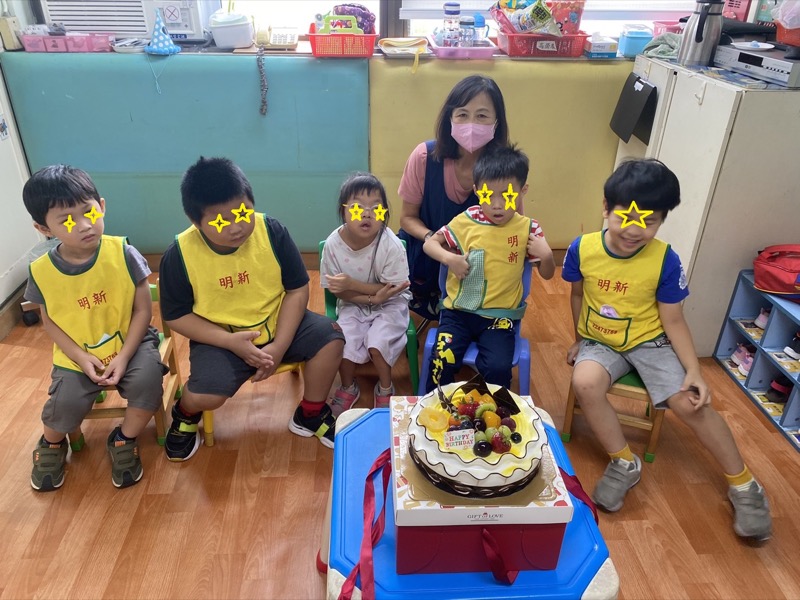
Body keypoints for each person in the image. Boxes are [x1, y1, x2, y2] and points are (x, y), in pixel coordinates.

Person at [562, 159, 772, 541]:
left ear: (662, 220)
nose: (634, 229)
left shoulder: (665, 260)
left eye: (649, 221)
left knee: (691, 403)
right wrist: (578, 337)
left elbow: (673, 319)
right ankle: (624, 462)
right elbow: (577, 294)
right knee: (585, 382)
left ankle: (744, 484)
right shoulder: (582, 248)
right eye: (625, 216)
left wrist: (694, 370)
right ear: (606, 207)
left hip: (651, 341)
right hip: (601, 339)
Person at [158, 157, 345, 460]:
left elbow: (297, 289)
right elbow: (176, 315)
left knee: (331, 337)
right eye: (220, 222)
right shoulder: (179, 254)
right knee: (207, 394)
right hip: (221, 339)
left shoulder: (272, 231)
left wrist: (280, 345)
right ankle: (185, 413)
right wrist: (229, 341)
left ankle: (310, 413)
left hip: (279, 323)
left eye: (243, 213)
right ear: (195, 221)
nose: (236, 227)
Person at [22, 165, 167, 491]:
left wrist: (124, 356)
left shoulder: (123, 253)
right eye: (67, 220)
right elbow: (50, 322)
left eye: (89, 212)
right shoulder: (42, 271)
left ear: (101, 205)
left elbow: (143, 311)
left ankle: (124, 437)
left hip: (132, 342)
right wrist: (80, 357)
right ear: (43, 228)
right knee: (65, 403)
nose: (85, 225)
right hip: (76, 352)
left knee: (147, 383)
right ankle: (51, 443)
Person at [422, 145, 555, 392]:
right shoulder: (466, 219)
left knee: (497, 367)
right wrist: (449, 259)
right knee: (441, 360)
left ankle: (490, 409)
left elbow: (547, 274)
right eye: (488, 195)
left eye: (507, 196)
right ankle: (436, 407)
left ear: (523, 190)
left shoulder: (528, 228)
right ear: (476, 191)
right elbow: (430, 244)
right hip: (458, 313)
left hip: (500, 317)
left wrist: (547, 255)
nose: (497, 205)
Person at [398, 74, 511, 321]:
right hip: (426, 260)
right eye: (462, 114)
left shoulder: (505, 169)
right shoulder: (424, 157)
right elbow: (407, 218)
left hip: (478, 266)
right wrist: (435, 241)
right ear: (450, 118)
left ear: (497, 122)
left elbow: (513, 225)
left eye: (482, 116)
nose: (471, 124)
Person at [320, 173, 411, 415]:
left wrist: (355, 285)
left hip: (391, 303)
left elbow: (394, 288)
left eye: (376, 208)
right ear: (343, 211)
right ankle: (348, 387)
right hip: (352, 303)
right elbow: (339, 292)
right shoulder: (333, 245)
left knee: (378, 343)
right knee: (343, 341)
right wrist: (370, 298)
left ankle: (385, 388)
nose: (367, 213)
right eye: (357, 207)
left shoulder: (390, 244)